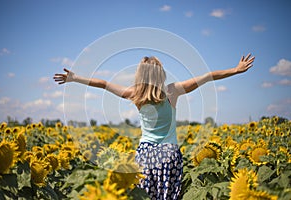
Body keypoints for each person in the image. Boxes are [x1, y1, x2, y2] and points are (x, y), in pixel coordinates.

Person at [54, 54, 255, 199]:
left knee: (145, 195)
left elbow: (103, 84)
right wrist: (235, 70)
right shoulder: (172, 92)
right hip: (169, 154)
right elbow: (208, 76)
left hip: (145, 153)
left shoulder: (135, 94)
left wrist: (75, 78)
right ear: (161, 74)